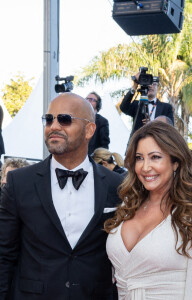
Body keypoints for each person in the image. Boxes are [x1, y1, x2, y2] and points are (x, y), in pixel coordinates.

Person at [0, 93, 122, 299]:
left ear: (89, 130)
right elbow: (4, 255)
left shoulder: (116, 186)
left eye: (64, 119)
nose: (53, 126)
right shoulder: (19, 183)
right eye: (49, 119)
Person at [105, 121, 192, 300]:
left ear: (175, 162)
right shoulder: (127, 207)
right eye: (139, 158)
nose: (145, 167)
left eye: (155, 157)